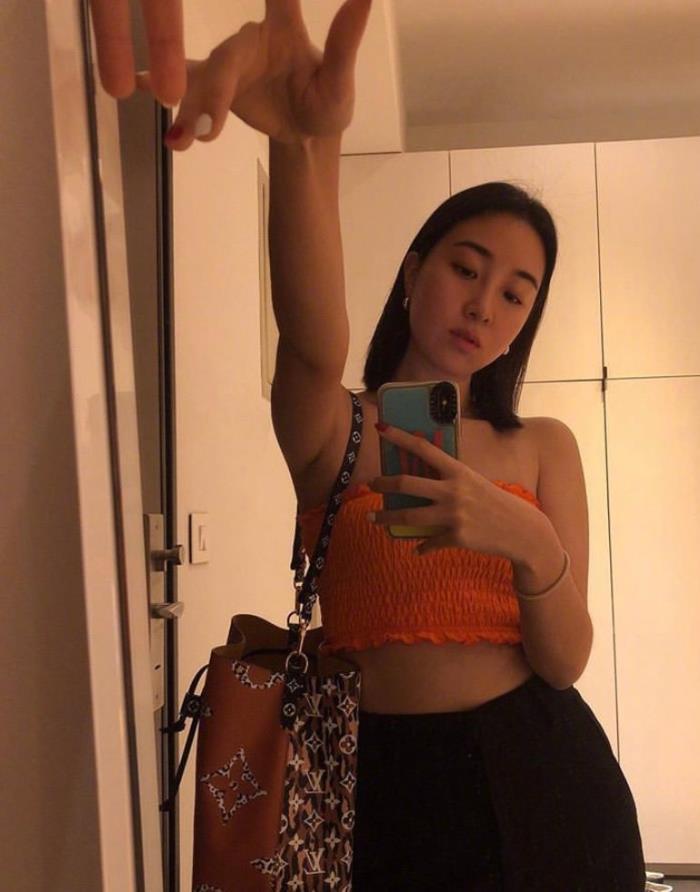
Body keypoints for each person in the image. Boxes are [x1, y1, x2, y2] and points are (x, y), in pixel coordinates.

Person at [134, 1, 648, 888]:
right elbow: (311, 342)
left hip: (548, 783)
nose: (483, 305)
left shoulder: (543, 447)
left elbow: (564, 662)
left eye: (516, 293)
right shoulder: (335, 430)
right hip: (378, 788)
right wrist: (304, 146)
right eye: (465, 268)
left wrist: (527, 541)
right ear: (414, 272)